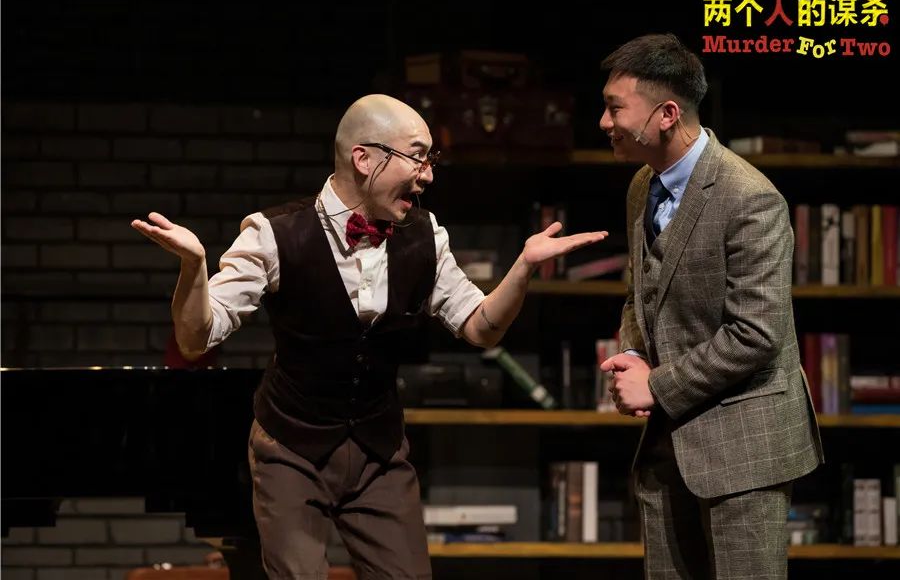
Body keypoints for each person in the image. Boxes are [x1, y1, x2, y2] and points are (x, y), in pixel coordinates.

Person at [132, 93, 607, 580]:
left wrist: (524, 268)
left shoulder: (425, 235)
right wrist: (194, 267)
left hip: (379, 450)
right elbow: (197, 339)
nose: (428, 175)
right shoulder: (273, 234)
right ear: (364, 158)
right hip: (291, 447)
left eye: (430, 159)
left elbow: (481, 327)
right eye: (417, 157)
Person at [597, 34, 824, 579]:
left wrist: (656, 385)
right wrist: (633, 352)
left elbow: (756, 333)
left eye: (615, 108)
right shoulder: (642, 185)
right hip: (667, 446)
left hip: (744, 450)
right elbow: (640, 290)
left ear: (667, 114)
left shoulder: (750, 198)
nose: (604, 123)